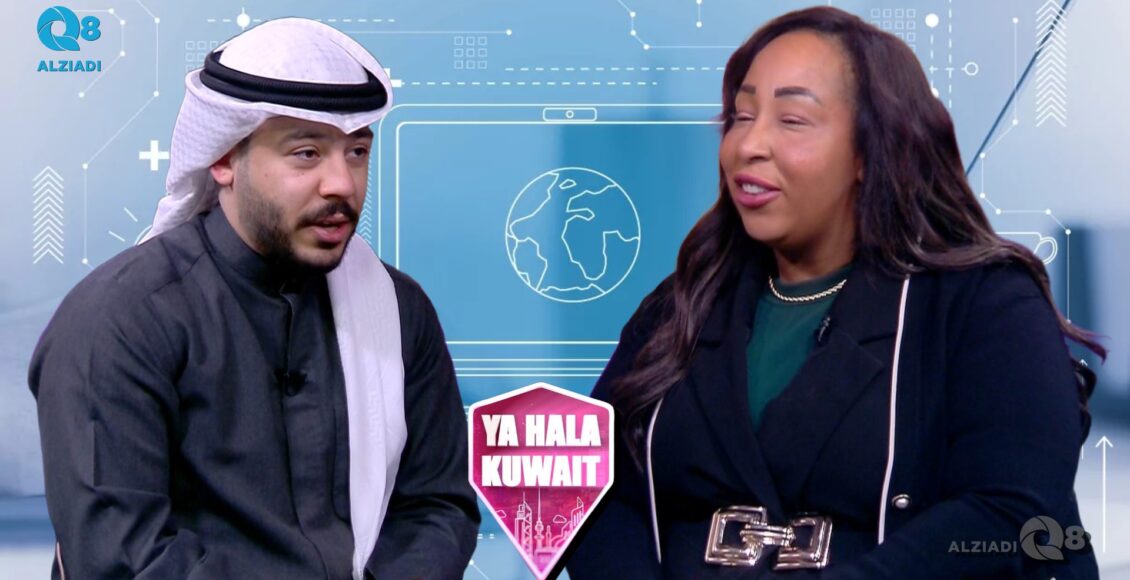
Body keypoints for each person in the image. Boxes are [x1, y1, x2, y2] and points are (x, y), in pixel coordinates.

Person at [567, 6, 1102, 579]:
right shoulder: (681, 304)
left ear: (870, 152)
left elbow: (1011, 515)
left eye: (792, 120)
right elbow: (593, 489)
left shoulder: (985, 304)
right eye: (741, 116)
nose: (749, 144)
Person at [29, 18, 478, 580]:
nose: (342, 183)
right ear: (223, 160)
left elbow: (436, 507)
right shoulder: (120, 320)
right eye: (307, 153)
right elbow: (125, 560)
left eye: (357, 152)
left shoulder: (398, 309)